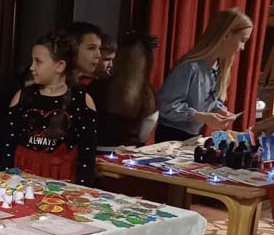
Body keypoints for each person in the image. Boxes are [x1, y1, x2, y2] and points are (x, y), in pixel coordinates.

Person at [1, 32, 97, 185]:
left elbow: (87, 156)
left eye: (38, 62)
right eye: (32, 61)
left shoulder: (81, 101)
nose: (31, 67)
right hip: (21, 181)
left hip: (61, 183)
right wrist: (5, 181)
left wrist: (82, 191)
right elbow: (7, 147)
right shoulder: (22, 96)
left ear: (60, 66)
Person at [156, 8, 253, 141]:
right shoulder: (189, 68)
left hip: (193, 135)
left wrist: (219, 111)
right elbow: (166, 105)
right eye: (242, 40)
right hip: (170, 136)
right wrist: (201, 117)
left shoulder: (219, 69)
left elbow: (212, 101)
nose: (243, 47)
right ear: (226, 35)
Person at [89, 31, 159, 149]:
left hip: (96, 150)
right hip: (128, 154)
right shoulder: (147, 93)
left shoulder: (96, 86)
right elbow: (144, 135)